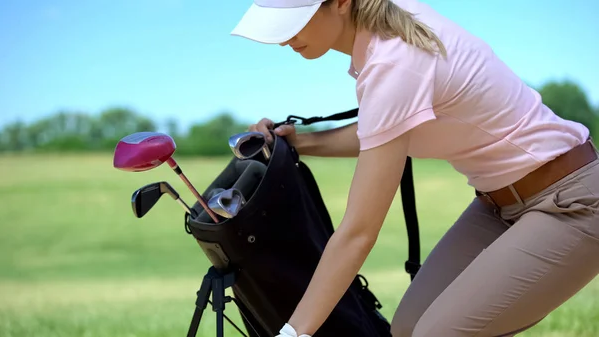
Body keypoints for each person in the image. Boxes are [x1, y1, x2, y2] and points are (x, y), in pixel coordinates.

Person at [230, 0, 599, 336]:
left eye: (293, 21)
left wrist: (294, 333)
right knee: (406, 330)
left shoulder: (394, 61)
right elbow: (382, 131)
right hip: (498, 206)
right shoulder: (388, 27)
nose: (283, 39)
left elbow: (358, 233)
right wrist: (295, 143)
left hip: (571, 204)